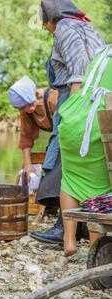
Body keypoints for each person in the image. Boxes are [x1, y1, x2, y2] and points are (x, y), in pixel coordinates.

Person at [27, 0, 105, 245]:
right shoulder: (91, 29)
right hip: (101, 101)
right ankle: (82, 227)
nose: (45, 28)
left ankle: (65, 228)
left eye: (44, 23)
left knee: (65, 158)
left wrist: (73, 114)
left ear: (52, 18)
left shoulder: (66, 29)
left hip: (77, 99)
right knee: (89, 163)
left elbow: (79, 73)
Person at [58, 44, 112, 256]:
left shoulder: (103, 51)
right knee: (100, 185)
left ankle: (69, 239)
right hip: (98, 120)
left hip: (74, 116)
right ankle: (95, 249)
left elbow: (77, 87)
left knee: (70, 178)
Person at [8, 75, 58, 181]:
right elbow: (27, 137)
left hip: (66, 141)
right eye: (22, 108)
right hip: (55, 144)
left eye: (28, 104)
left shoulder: (53, 98)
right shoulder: (25, 111)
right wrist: (27, 164)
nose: (27, 109)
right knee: (25, 177)